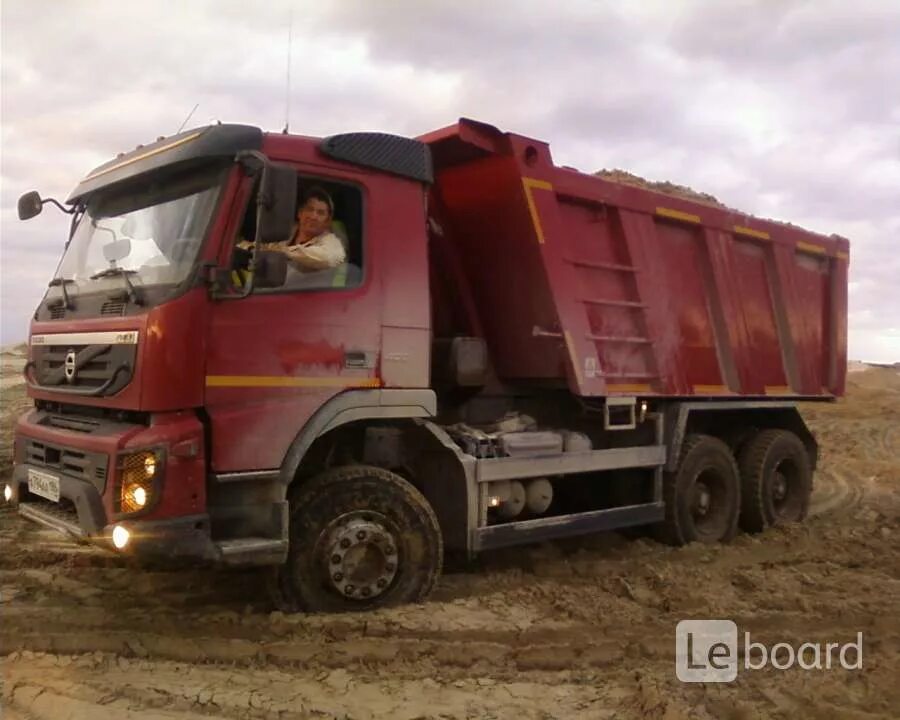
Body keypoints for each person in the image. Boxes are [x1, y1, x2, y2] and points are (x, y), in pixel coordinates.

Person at [236, 186, 346, 275]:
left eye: (320, 213)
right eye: (309, 209)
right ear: (300, 213)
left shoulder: (331, 242)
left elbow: (328, 258)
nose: (313, 216)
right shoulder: (286, 232)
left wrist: (285, 252)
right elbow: (260, 246)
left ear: (327, 221)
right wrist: (250, 249)